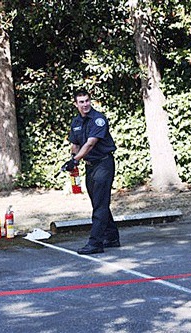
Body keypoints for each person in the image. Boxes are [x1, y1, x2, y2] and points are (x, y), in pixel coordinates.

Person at [61, 89, 119, 255]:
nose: (85, 104)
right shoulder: (76, 122)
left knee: (100, 204)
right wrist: (73, 161)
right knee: (97, 202)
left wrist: (75, 160)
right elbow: (76, 144)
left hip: (103, 164)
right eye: (81, 102)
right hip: (89, 166)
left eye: (87, 101)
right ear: (76, 104)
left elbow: (90, 144)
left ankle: (95, 243)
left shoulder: (98, 119)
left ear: (90, 101)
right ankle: (112, 237)